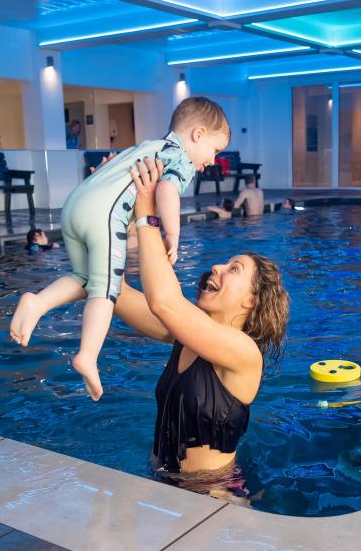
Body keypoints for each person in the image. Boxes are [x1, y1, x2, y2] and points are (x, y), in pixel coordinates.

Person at [10, 97, 231, 401]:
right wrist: (174, 233)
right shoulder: (180, 158)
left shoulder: (146, 146)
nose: (212, 160)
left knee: (86, 278)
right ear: (198, 134)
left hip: (74, 206)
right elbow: (167, 190)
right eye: (215, 150)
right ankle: (87, 355)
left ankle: (37, 303)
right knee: (106, 290)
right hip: (104, 215)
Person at [113, 155, 289, 475]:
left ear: (251, 301)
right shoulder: (186, 332)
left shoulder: (243, 352)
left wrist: (146, 210)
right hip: (158, 481)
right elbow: (116, 292)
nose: (217, 267)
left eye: (233, 269)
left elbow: (164, 302)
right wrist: (112, 197)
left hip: (210, 498)